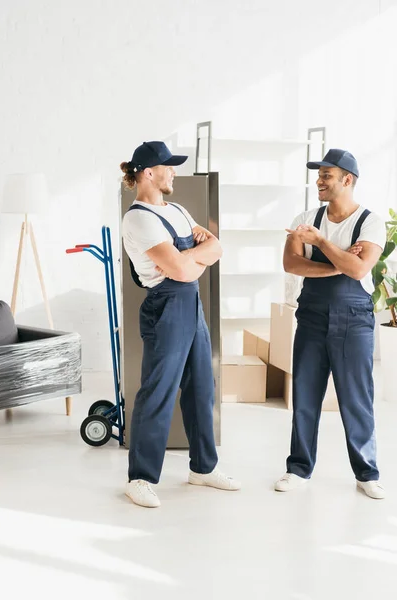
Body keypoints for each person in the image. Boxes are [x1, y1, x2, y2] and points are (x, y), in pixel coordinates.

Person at [121, 141, 241, 508]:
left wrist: (189, 258)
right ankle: (140, 478)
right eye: (168, 166)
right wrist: (193, 260)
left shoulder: (178, 210)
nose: (174, 172)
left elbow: (216, 248)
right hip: (166, 306)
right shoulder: (138, 218)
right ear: (148, 172)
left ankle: (203, 468)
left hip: (191, 302)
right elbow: (178, 270)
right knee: (157, 392)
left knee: (201, 387)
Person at [275, 149, 386, 499]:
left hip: (355, 319)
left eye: (327, 176)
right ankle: (299, 469)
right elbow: (291, 263)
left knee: (356, 399)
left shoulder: (370, 222)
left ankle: (367, 473)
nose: (319, 181)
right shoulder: (306, 216)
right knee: (305, 396)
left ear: (347, 180)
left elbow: (359, 270)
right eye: (319, 175)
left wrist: (320, 243)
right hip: (311, 315)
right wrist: (338, 263)